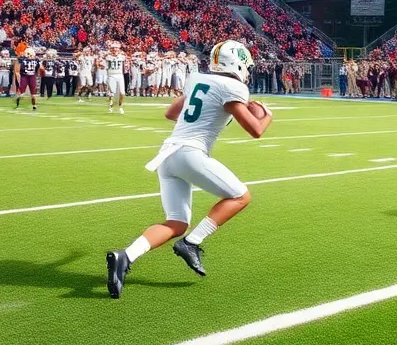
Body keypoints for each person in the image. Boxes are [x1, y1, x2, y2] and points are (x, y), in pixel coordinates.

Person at [107, 40, 273, 297]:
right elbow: (256, 130)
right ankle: (192, 243)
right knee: (240, 196)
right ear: (237, 62)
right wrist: (266, 113)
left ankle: (125, 256)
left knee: (176, 222)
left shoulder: (198, 79)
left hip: (168, 155)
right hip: (189, 153)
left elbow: (171, 113)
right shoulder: (233, 86)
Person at [105, 40, 128, 114]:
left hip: (120, 75)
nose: (115, 50)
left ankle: (120, 106)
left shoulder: (121, 56)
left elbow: (127, 58)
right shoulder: (107, 56)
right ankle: (111, 107)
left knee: (122, 92)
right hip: (111, 75)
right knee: (112, 93)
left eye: (116, 48)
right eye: (113, 48)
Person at [14, 46, 40, 111]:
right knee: (26, 92)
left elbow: (37, 69)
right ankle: (32, 105)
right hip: (27, 76)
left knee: (32, 93)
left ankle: (33, 105)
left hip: (29, 76)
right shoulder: (34, 60)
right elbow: (37, 69)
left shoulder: (23, 59)